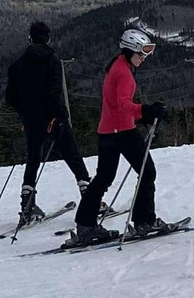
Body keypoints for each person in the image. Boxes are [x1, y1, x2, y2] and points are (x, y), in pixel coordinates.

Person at [72, 24, 176, 244]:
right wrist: (145, 111)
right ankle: (144, 221)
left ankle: (85, 225)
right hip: (122, 131)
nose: (143, 59)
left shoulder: (116, 66)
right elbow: (122, 104)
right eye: (141, 54)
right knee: (147, 171)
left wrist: (143, 114)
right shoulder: (124, 73)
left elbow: (116, 104)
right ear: (129, 51)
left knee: (103, 178)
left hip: (107, 131)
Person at [3, 20, 91, 225]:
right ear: (48, 38)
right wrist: (58, 115)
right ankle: (90, 199)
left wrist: (24, 113)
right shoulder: (52, 60)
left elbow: (10, 97)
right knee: (73, 156)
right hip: (54, 118)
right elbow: (54, 92)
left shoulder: (17, 65)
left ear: (30, 38)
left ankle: (27, 206)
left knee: (33, 159)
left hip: (31, 120)